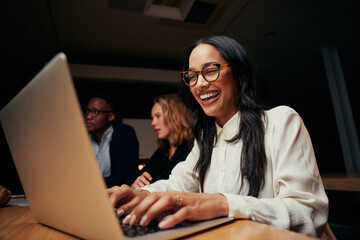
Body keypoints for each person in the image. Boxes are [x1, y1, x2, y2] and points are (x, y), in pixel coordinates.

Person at [107, 36, 329, 238]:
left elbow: (308, 213)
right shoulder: (206, 138)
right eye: (192, 76)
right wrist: (139, 195)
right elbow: (178, 183)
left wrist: (223, 204)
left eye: (210, 70)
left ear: (239, 76)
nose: (200, 84)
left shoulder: (281, 121)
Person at [128, 94, 193, 189]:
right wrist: (135, 182)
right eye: (152, 118)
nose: (153, 123)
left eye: (158, 116)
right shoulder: (163, 149)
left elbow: (170, 180)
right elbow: (140, 175)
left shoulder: (191, 147)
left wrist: (142, 182)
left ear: (175, 116)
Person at [85, 94, 139, 188]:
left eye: (95, 112)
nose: (88, 116)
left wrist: (89, 185)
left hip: (114, 194)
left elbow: (124, 176)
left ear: (110, 116)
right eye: (87, 111)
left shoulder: (124, 134)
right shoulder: (82, 136)